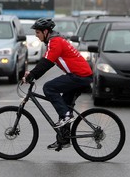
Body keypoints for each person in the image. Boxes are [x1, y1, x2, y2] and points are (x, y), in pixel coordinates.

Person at [22, 17, 93, 150]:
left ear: (46, 31)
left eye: (37, 32)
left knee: (49, 87)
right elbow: (45, 61)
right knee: (64, 106)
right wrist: (32, 73)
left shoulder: (56, 42)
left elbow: (47, 62)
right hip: (80, 76)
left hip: (79, 76)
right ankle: (64, 140)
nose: (36, 36)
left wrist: (32, 75)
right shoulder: (54, 42)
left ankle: (66, 116)